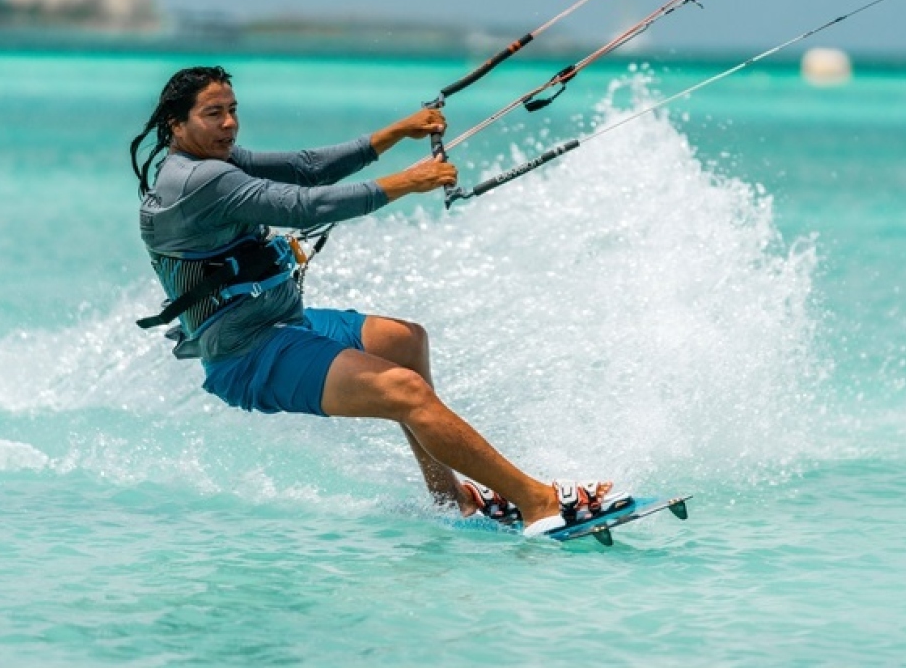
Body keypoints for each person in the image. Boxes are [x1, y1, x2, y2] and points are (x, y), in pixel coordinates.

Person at [130, 66, 625, 536]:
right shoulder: (199, 180)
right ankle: (536, 502)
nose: (230, 123)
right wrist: (404, 184)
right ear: (177, 123)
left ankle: (450, 499)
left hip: (282, 320)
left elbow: (307, 169)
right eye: (213, 114)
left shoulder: (216, 161)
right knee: (406, 393)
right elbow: (304, 206)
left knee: (405, 341)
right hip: (247, 353)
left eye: (232, 109)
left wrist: (396, 132)